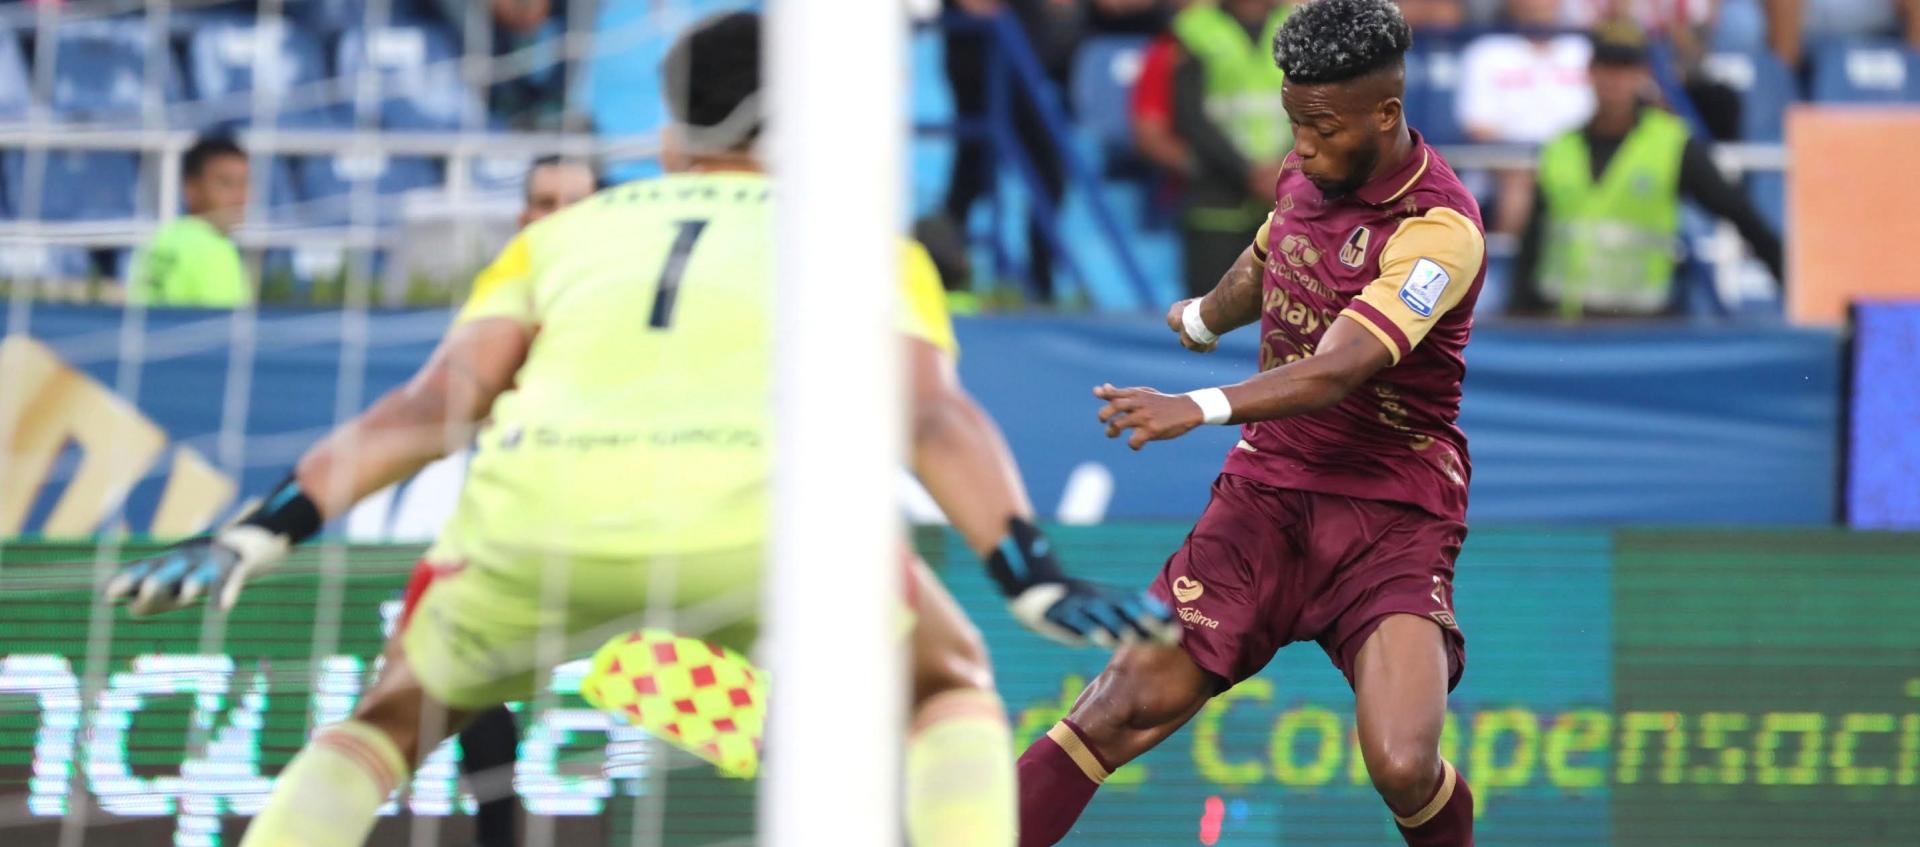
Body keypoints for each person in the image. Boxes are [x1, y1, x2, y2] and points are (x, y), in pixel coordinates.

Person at [102, 12, 1170, 847]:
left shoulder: (563, 237)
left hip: (535, 526)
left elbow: (427, 407)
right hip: (756, 529)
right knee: (946, 679)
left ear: (667, 135)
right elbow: (929, 410)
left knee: (386, 716)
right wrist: (1030, 570)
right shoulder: (856, 239)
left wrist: (258, 529)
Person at [1014, 1, 1485, 845]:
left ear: (1386, 113)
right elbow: (1273, 254)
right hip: (1267, 496)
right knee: (1116, 706)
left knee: (1401, 762)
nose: (1301, 144)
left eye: (1322, 126)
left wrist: (1195, 405)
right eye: (1292, 119)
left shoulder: (1438, 232)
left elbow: (1343, 366)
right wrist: (1203, 316)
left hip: (1389, 511)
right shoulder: (1311, 169)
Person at [379, 154, 600, 847]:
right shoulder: (501, 300)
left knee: (709, 678)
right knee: (442, 670)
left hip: (624, 514)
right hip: (522, 513)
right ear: (523, 216)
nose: (555, 215)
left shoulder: (631, 296)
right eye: (542, 201)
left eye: (572, 202)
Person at [1509, 22, 1784, 319]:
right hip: (1564, 322)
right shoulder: (1559, 147)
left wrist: (1789, 282)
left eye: (1625, 67)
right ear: (1590, 72)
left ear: (1642, 75)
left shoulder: (1673, 145)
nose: (1614, 79)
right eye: (1606, 66)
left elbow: (1740, 214)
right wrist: (1518, 313)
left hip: (1642, 327)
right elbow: (1533, 243)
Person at [1169, 0, 1294, 297]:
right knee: (1205, 315)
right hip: (1215, 199)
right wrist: (1249, 172)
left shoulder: (1298, 24)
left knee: (1282, 320)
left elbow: (1318, 105)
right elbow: (1189, 115)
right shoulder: (1196, 28)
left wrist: (1285, 167)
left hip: (1285, 196)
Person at [1455, 0, 1594, 234]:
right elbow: (1478, 126)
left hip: (1579, 158)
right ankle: (1503, 267)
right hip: (1508, 163)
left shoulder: (1583, 49)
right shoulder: (1486, 51)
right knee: (1518, 180)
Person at [129, 136, 252, 308]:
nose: (240, 197)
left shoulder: (158, 240)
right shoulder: (215, 249)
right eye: (226, 184)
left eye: (244, 183)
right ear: (191, 187)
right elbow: (221, 329)